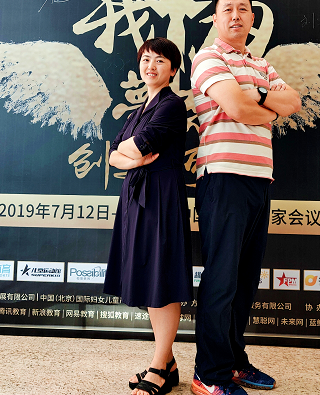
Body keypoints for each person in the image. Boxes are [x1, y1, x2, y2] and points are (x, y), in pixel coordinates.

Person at [189, 0, 301, 395]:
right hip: (223, 177)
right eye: (227, 9)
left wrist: (257, 94)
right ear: (215, 18)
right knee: (222, 279)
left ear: (253, 18)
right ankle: (209, 374)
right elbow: (236, 107)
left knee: (244, 279)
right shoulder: (207, 57)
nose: (236, 15)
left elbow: (294, 103)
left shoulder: (261, 64)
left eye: (243, 9)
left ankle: (234, 362)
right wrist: (265, 108)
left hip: (259, 180)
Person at [103, 37, 193, 395]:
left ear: (173, 70)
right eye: (145, 59)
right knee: (150, 276)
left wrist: (130, 154)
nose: (150, 65)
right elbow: (113, 153)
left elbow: (137, 144)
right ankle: (167, 364)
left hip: (161, 197)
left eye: (159, 60)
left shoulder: (172, 105)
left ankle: (159, 366)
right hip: (137, 196)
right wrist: (132, 160)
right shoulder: (138, 110)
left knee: (162, 277)